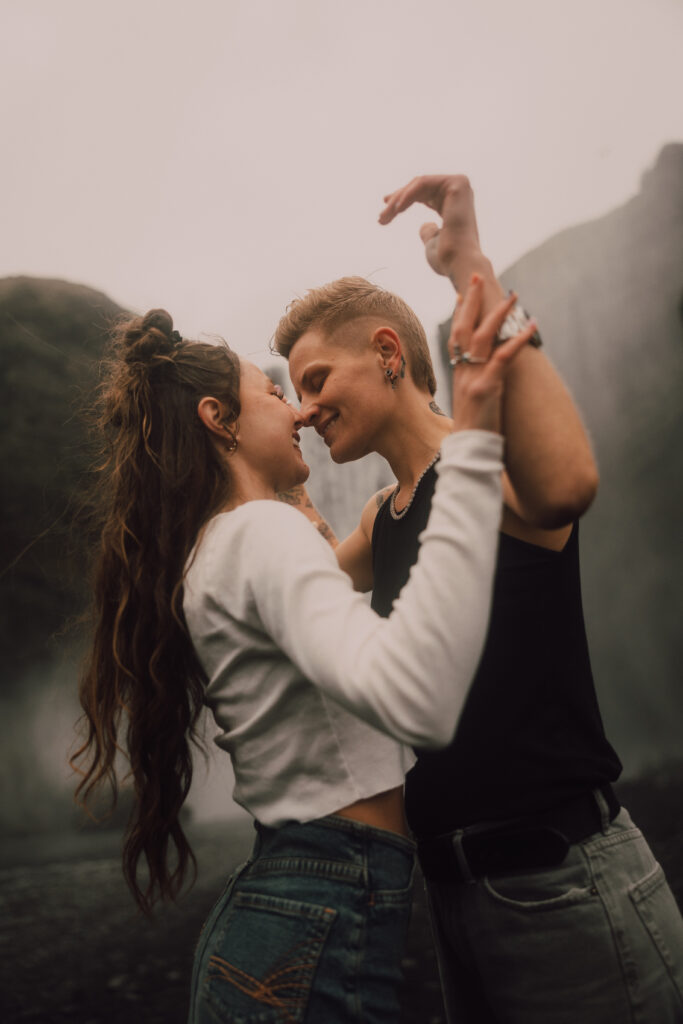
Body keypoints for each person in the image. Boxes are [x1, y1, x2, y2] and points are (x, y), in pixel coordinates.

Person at [275, 175, 683, 1023]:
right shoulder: (383, 521)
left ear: (388, 351)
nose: (307, 409)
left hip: (563, 886)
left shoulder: (480, 461)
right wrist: (264, 455)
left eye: (315, 380)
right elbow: (300, 574)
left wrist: (468, 264)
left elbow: (565, 484)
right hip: (459, 900)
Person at [71, 291, 535, 1024]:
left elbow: (331, 608)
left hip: (290, 909)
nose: (298, 413)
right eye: (273, 393)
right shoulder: (258, 534)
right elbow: (415, 696)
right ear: (218, 419)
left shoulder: (222, 543)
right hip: (317, 909)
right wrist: (472, 450)